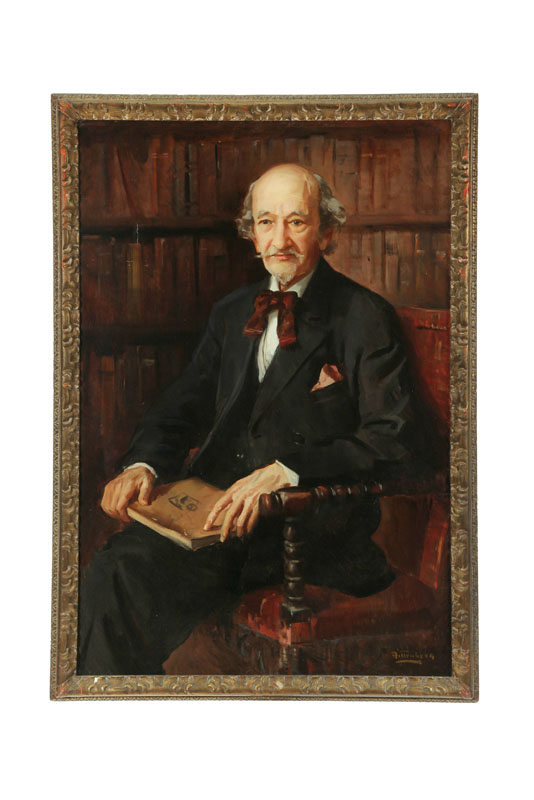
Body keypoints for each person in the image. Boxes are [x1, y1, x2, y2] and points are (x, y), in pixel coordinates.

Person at [77, 163, 423, 675]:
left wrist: (288, 470)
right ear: (251, 234)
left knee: (123, 581)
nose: (279, 240)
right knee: (111, 575)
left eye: (296, 222)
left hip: (304, 532)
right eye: (266, 222)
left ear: (327, 231)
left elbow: (391, 438)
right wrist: (143, 464)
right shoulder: (232, 310)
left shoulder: (364, 315)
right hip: (216, 519)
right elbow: (182, 403)